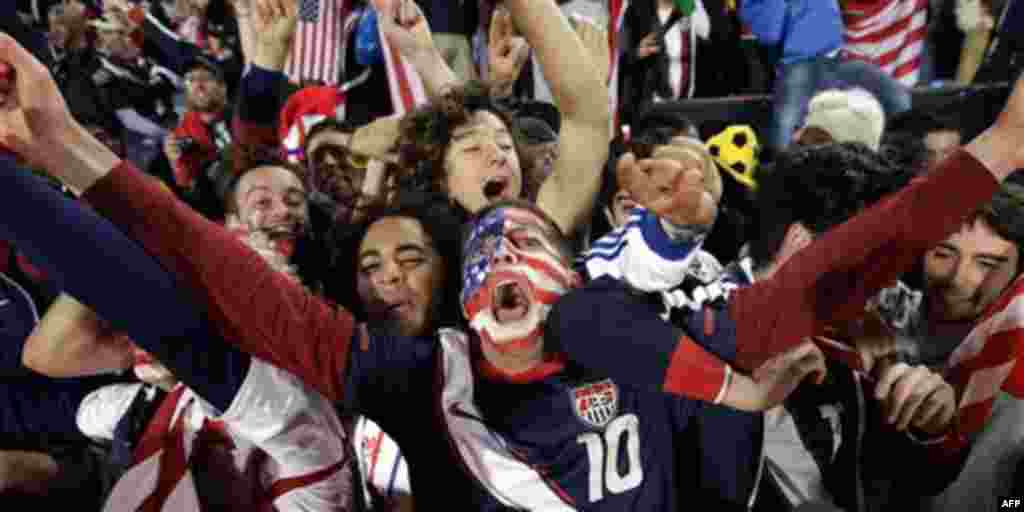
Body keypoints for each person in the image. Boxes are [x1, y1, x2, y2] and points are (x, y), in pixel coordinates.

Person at [740, 0, 911, 153]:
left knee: (896, 95)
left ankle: (904, 161)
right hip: (798, 63)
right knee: (787, 121)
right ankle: (780, 175)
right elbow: (770, 33)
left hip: (838, 59)